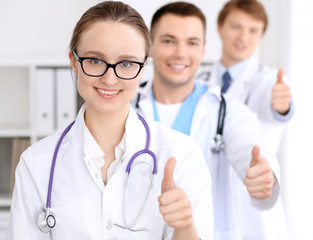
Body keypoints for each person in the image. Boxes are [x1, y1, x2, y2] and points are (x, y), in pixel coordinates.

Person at [7, 1, 214, 239]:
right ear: (74, 62)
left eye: (126, 63)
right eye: (95, 60)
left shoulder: (182, 155)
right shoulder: (36, 164)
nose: (109, 78)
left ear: (143, 66)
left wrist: (185, 227)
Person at [133, 2, 281, 239]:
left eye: (192, 43)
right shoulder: (126, 108)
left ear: (203, 50)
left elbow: (248, 146)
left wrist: (263, 174)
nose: (180, 53)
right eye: (169, 41)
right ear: (149, 46)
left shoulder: (228, 111)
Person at [198, 0, 294, 239]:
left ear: (261, 35)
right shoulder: (200, 78)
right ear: (219, 28)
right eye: (236, 27)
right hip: (207, 193)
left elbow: (280, 109)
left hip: (252, 198)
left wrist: (283, 106)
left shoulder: (271, 81)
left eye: (253, 30)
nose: (244, 37)